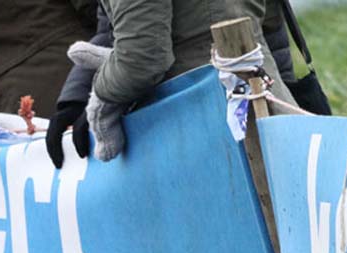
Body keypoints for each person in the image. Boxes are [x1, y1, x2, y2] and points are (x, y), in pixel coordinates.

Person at [50, 0, 299, 164]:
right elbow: (271, 25)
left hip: (199, 129)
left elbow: (143, 58)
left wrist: (102, 100)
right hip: (269, 107)